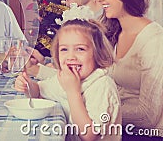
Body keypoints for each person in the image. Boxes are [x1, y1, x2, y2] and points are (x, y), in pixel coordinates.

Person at [15, 9, 121, 141]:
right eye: (64, 49)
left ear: (97, 53)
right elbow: (40, 91)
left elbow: (89, 135)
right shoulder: (65, 78)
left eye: (80, 49)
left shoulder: (102, 85)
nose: (71, 56)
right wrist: (28, 85)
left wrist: (73, 92)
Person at [98, 0, 163, 139]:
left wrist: (101, 110)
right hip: (120, 127)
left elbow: (148, 116)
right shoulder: (115, 31)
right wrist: (39, 69)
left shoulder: (154, 40)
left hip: (148, 134)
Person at [29, 0, 102, 78]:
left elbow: (87, 78)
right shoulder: (72, 15)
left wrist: (38, 71)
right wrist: (43, 61)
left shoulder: (105, 23)